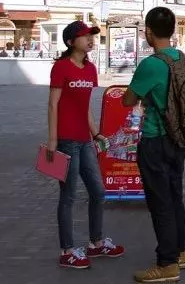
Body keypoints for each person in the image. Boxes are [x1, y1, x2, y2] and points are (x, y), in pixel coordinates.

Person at [123, 7, 185, 283]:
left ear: (148, 32)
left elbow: (128, 100)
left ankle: (167, 264)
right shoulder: (179, 58)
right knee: (175, 196)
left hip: (155, 139)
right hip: (177, 138)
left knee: (160, 202)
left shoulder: (150, 64)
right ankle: (182, 251)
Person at [47, 20, 124, 269]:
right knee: (68, 196)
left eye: (92, 35)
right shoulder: (61, 67)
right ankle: (67, 251)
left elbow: (85, 107)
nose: (90, 39)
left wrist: (96, 133)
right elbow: (53, 104)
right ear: (71, 42)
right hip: (66, 141)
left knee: (98, 191)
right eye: (84, 36)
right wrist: (52, 141)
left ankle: (96, 243)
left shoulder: (90, 69)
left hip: (85, 140)